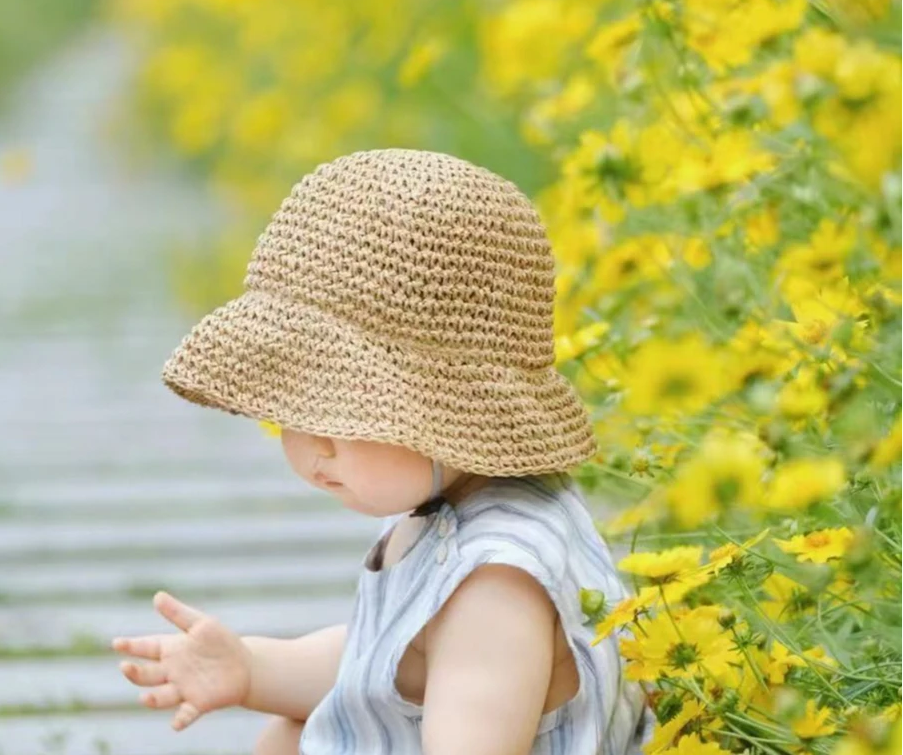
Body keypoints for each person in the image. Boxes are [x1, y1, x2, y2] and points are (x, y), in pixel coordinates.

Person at [112, 148, 655, 754]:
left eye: (344, 411)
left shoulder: (495, 588)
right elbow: (383, 661)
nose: (311, 445)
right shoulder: (459, 511)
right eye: (293, 407)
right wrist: (250, 669)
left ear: (446, 410)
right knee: (293, 732)